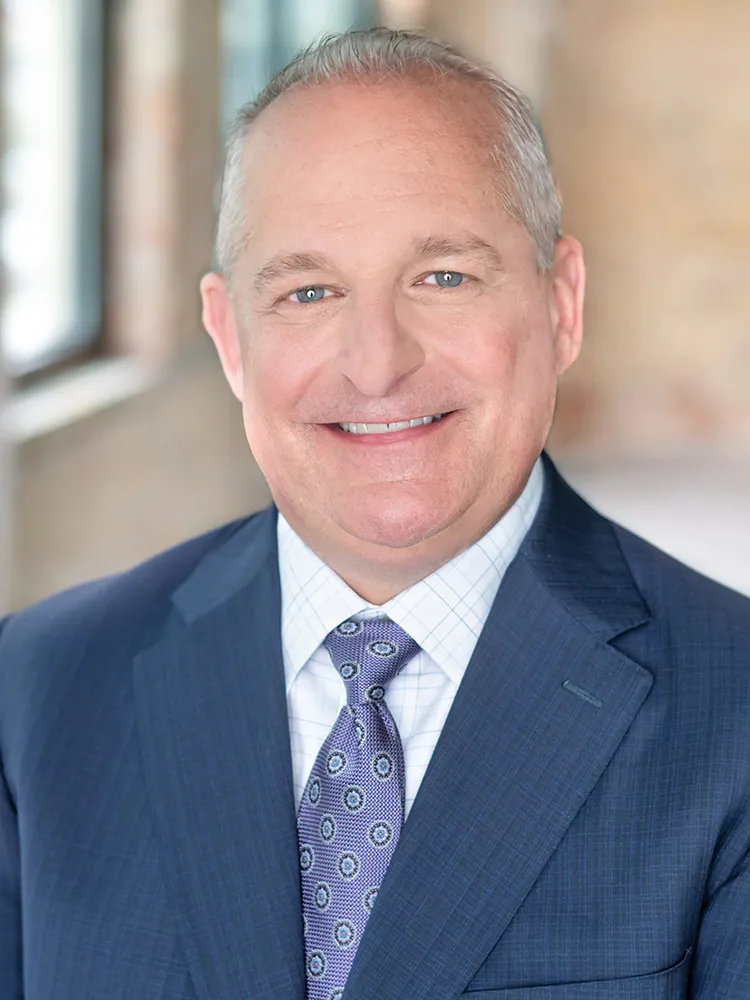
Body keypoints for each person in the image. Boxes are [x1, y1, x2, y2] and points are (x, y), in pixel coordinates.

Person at [1, 26, 749, 1000]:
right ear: (230, 337)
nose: (376, 360)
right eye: (309, 291)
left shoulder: (733, 712)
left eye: (443, 276)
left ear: (561, 302)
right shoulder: (36, 692)